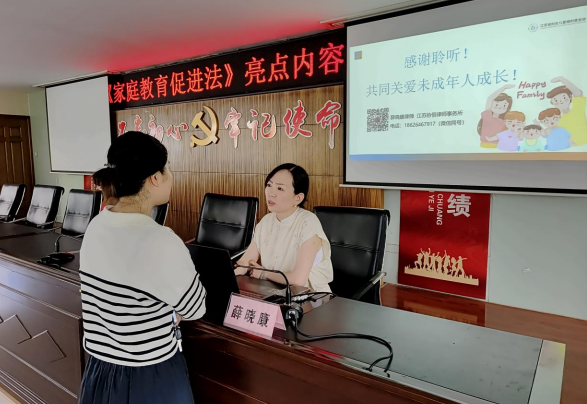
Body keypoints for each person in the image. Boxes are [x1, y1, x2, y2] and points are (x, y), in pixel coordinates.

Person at [79, 131, 206, 404]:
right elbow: (195, 309)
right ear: (155, 178)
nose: (170, 176)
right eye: (167, 169)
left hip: (99, 372)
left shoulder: (96, 226)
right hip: (150, 377)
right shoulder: (162, 240)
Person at [235, 163, 333, 293]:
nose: (271, 193)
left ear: (298, 198)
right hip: (273, 292)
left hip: (310, 297)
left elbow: (298, 280)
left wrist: (264, 273)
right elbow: (246, 262)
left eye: (280, 188)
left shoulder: (308, 223)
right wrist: (229, 273)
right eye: (269, 185)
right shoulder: (266, 221)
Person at [546, 77, 587, 146]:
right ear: (552, 103)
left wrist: (562, 79)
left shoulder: (577, 109)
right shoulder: (556, 120)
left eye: (564, 97)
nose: (561, 101)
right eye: (556, 100)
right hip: (569, 148)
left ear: (570, 97)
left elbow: (578, 94)